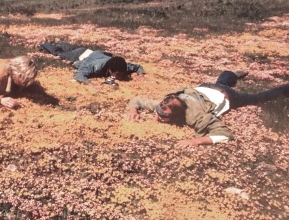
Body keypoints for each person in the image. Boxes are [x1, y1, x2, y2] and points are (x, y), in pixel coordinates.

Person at [125, 70, 289, 148]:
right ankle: (232, 75)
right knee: (223, 79)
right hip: (205, 87)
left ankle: (284, 88)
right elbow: (137, 100)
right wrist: (133, 109)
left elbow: (226, 135)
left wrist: (196, 141)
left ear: (177, 117)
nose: (158, 116)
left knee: (258, 97)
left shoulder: (198, 117)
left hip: (227, 95)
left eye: (163, 116)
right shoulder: (165, 104)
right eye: (159, 112)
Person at [39, 41, 145, 84]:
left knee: (71, 48)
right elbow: (79, 75)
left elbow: (136, 67)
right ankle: (43, 44)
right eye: (118, 74)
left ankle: (61, 43)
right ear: (110, 70)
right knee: (58, 53)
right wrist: (90, 84)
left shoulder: (121, 65)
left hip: (90, 52)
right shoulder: (95, 66)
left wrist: (141, 75)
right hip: (80, 56)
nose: (121, 76)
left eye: (122, 73)